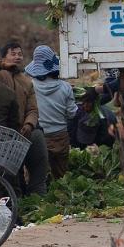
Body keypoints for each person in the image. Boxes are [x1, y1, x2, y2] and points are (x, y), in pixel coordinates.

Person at [0, 41, 48, 195]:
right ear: (4, 57)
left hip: (23, 131)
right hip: (3, 132)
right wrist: (3, 64)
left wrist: (29, 124)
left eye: (20, 54)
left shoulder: (26, 81)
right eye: (13, 54)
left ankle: (37, 198)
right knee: (12, 174)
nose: (17, 57)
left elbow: (33, 109)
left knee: (38, 141)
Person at [26, 45, 78, 180]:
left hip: (39, 136)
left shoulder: (30, 86)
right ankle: (61, 198)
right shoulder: (65, 87)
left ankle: (38, 197)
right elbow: (72, 113)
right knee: (60, 175)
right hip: (60, 135)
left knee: (37, 174)